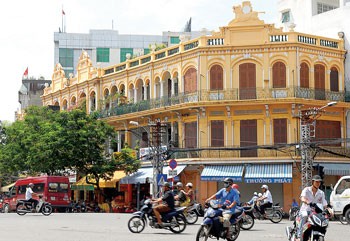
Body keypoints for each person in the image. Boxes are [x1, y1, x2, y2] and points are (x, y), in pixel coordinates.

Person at [295, 175, 328, 241]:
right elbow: (302, 197)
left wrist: (328, 210)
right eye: (316, 182)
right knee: (305, 215)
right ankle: (299, 235)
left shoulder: (321, 193)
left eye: (319, 182)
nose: (318, 183)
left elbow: (324, 204)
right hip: (305, 210)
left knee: (325, 219)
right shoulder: (306, 190)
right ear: (313, 182)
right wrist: (307, 201)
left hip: (316, 212)